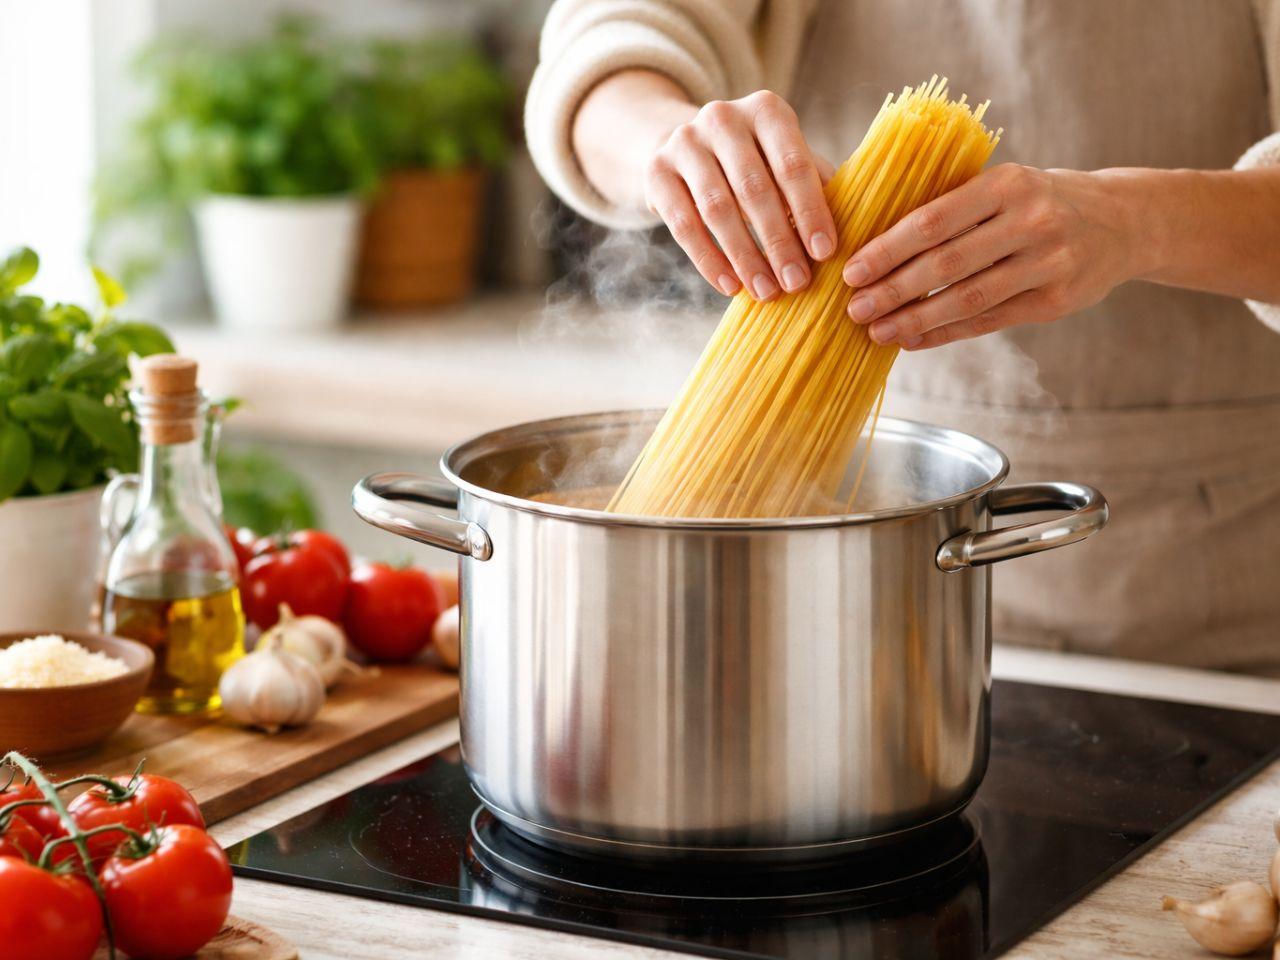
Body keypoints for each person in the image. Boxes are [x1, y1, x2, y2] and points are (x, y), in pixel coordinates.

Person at [524, 0, 1280, 674]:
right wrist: (671, 142)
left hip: (1215, 620)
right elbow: (609, 49)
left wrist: (1134, 222)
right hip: (875, 608)